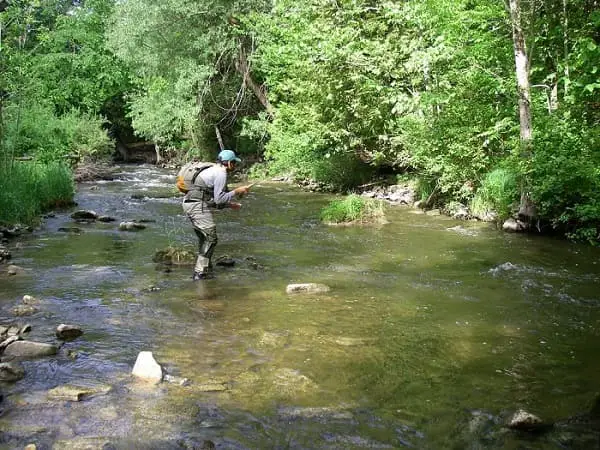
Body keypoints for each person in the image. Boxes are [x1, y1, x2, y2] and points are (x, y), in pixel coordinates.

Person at [182, 149, 251, 280]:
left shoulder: (213, 170)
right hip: (197, 206)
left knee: (204, 238)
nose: (235, 166)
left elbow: (213, 200)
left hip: (189, 204)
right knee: (211, 238)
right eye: (234, 163)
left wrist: (230, 204)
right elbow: (219, 199)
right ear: (229, 163)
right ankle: (200, 272)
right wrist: (237, 191)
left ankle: (206, 268)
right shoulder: (221, 173)